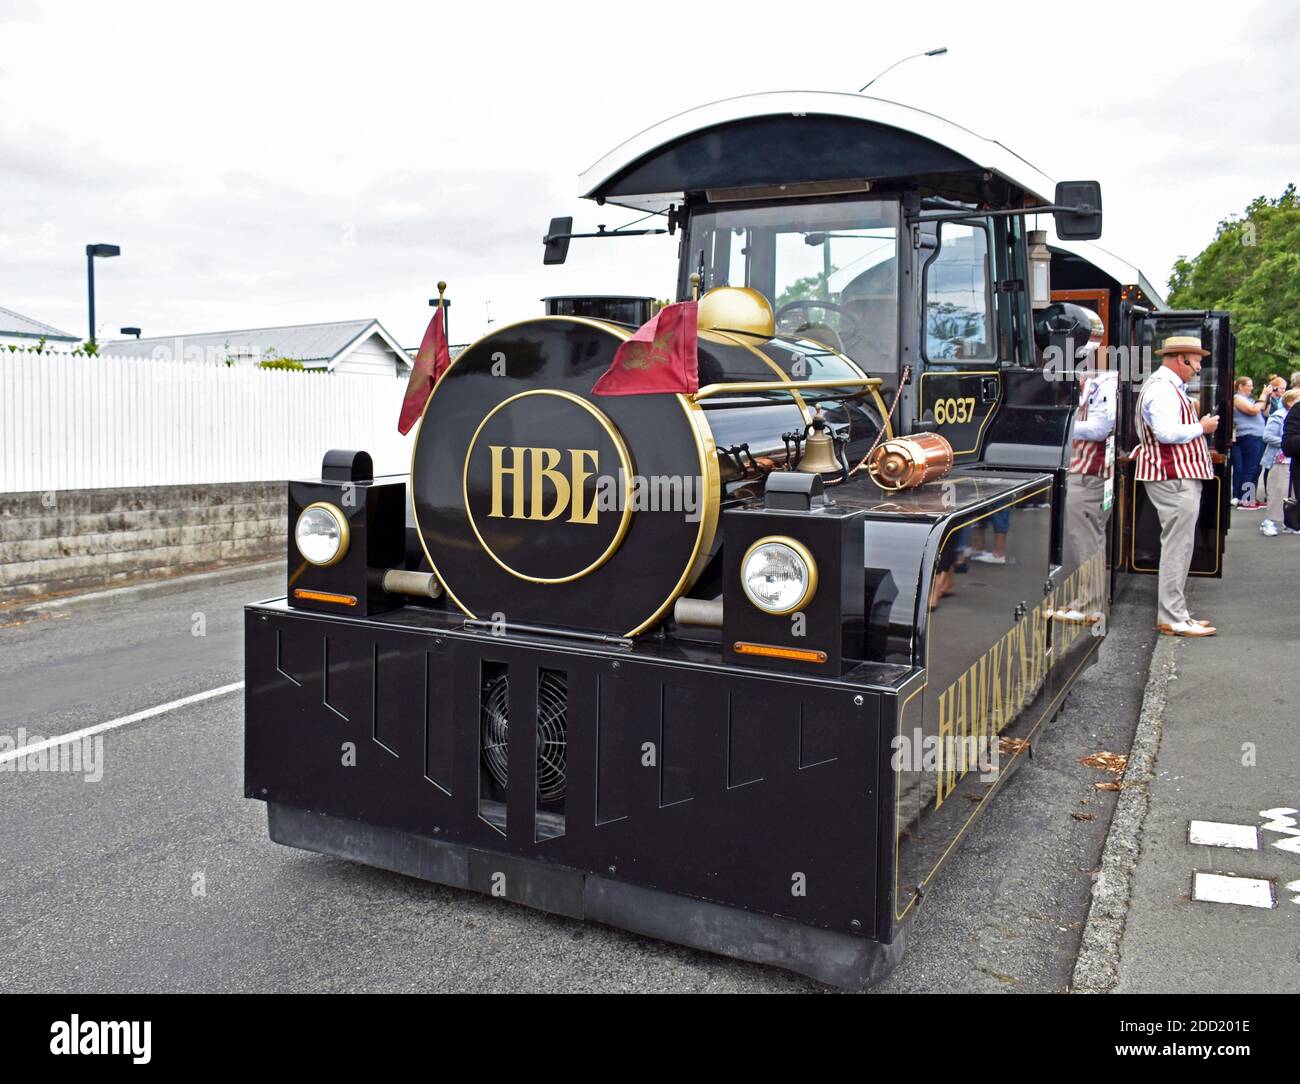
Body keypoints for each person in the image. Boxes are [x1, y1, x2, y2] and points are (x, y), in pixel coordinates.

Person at [1133, 335, 1219, 637]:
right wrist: (1202, 427)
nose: (1197, 368)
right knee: (1177, 548)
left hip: (1173, 476)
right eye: (1196, 362)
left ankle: (1176, 614)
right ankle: (1173, 617)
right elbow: (1167, 433)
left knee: (1178, 547)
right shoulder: (1163, 389)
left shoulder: (1164, 387)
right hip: (1173, 477)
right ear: (1181, 359)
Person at [1259, 388, 1300, 536]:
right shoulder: (1280, 415)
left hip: (1289, 460)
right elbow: (1271, 437)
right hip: (1280, 459)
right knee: (1278, 492)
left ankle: (1290, 523)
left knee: (1289, 494)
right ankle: (1270, 522)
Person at [1230, 376, 1267, 508]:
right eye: (1249, 385)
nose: (1251, 388)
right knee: (1250, 468)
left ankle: (1249, 497)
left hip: (1257, 435)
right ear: (1240, 386)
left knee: (1256, 468)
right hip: (1248, 435)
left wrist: (1268, 398)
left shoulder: (1249, 399)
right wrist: (1263, 395)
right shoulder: (1237, 399)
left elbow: (1263, 410)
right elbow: (1253, 410)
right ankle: (1245, 499)